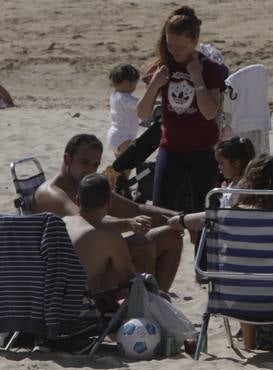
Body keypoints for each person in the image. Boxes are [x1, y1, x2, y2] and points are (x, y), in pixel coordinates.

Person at [168, 155, 273, 354]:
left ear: (247, 182)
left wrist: (177, 220)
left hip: (239, 300)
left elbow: (190, 220)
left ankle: (249, 342)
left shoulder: (226, 215)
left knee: (245, 274)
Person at [33, 133, 185, 293]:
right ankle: (146, 305)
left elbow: (136, 209)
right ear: (67, 159)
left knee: (171, 236)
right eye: (85, 162)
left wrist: (181, 218)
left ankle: (157, 305)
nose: (90, 170)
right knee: (142, 246)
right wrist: (129, 224)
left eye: (95, 165)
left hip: (98, 255)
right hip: (72, 274)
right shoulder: (51, 193)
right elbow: (87, 221)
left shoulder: (86, 184)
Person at [137, 7, 228, 213]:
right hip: (171, 149)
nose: (175, 51)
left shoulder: (209, 68)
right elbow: (142, 113)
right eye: (170, 45)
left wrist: (197, 78)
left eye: (181, 46)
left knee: (202, 214)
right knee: (161, 210)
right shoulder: (164, 65)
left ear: (194, 41)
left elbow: (209, 113)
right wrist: (154, 85)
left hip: (203, 150)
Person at [63, 174, 138, 295]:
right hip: (75, 308)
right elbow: (130, 279)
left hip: (45, 303)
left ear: (77, 200)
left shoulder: (63, 222)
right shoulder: (108, 235)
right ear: (109, 204)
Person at [106, 64, 141, 156]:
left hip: (115, 135)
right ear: (126, 83)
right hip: (124, 137)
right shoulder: (125, 98)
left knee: (120, 166)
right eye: (135, 83)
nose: (135, 87)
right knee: (127, 165)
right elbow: (142, 105)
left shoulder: (114, 95)